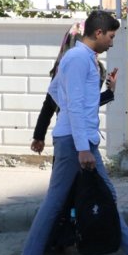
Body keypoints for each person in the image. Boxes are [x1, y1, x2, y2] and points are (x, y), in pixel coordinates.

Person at [16, 11, 128, 255]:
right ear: (98, 33)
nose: (112, 42)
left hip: (80, 140)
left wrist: (108, 92)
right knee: (55, 202)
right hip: (76, 143)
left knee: (106, 194)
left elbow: (60, 95)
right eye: (111, 36)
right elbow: (72, 106)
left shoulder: (81, 59)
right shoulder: (77, 60)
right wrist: (82, 149)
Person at [30, 22, 117, 155]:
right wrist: (39, 136)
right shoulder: (79, 64)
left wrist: (110, 92)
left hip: (76, 134)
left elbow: (87, 102)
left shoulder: (87, 65)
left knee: (89, 174)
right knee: (67, 174)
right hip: (73, 134)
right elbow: (76, 104)